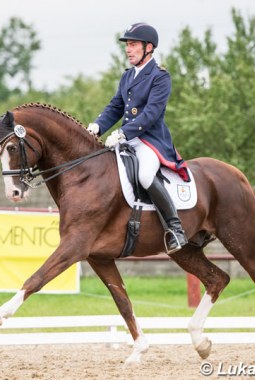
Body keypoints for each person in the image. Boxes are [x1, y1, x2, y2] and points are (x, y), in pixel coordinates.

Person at [87, 22, 189, 254]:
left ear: (148, 47)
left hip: (150, 141)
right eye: (127, 45)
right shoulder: (127, 77)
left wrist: (124, 132)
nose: (128, 49)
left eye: (133, 45)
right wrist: (97, 126)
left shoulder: (160, 77)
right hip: (127, 140)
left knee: (144, 175)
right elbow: (115, 106)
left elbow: (151, 113)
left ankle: (175, 228)